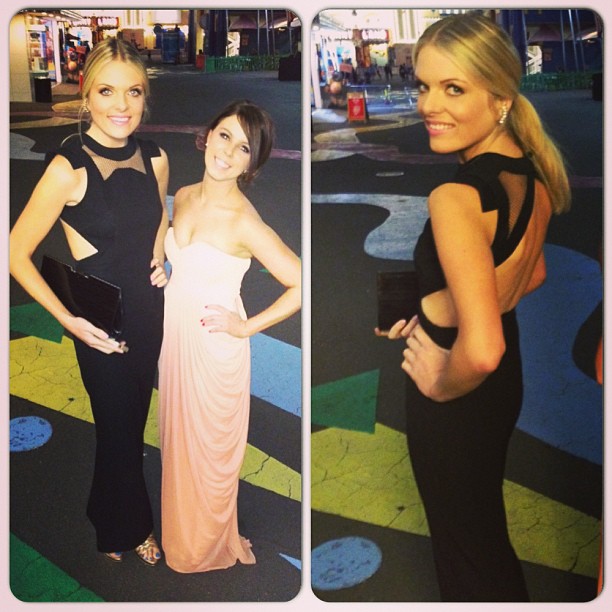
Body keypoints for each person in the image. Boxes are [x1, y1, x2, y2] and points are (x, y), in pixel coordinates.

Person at [375, 12, 570, 601]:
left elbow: (483, 351)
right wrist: (443, 305)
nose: (429, 105)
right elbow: (532, 273)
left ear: (500, 99)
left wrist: (441, 382)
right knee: (482, 537)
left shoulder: (455, 197)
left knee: (463, 551)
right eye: (424, 85)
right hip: (502, 390)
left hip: (459, 386)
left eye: (454, 88)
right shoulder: (531, 175)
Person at [9, 37, 169, 566]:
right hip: (98, 324)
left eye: (133, 92)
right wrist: (69, 320)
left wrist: (161, 258)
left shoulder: (157, 157)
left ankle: (105, 512)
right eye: (106, 91)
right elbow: (15, 253)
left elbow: (159, 217)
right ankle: (131, 528)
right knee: (118, 426)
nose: (121, 105)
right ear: (86, 95)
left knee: (128, 424)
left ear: (145, 97)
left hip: (149, 312)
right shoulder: (68, 166)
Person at [158, 100, 301, 573]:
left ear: (251, 164)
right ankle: (185, 530)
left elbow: (300, 284)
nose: (227, 153)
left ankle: (204, 543)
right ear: (207, 135)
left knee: (209, 451)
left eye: (243, 148)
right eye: (224, 136)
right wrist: (163, 268)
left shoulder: (245, 221)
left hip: (215, 346)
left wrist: (244, 327)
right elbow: (181, 258)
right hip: (176, 336)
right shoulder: (183, 195)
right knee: (179, 441)